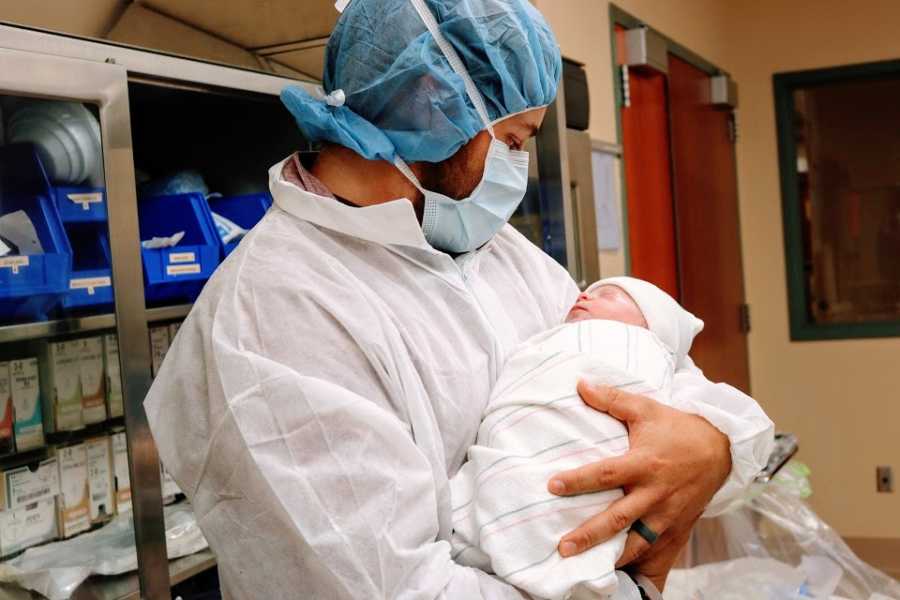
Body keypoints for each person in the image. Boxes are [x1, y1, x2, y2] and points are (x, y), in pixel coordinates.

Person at [144, 1, 774, 598]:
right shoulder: (277, 311)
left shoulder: (498, 255)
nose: (518, 168)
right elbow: (388, 586)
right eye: (515, 141)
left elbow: (634, 364)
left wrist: (711, 445)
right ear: (433, 103)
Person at [450, 277, 762, 600]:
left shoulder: (650, 352)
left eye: (608, 294)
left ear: (650, 325)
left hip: (593, 496)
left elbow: (743, 426)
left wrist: (713, 449)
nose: (583, 295)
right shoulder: (555, 332)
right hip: (510, 463)